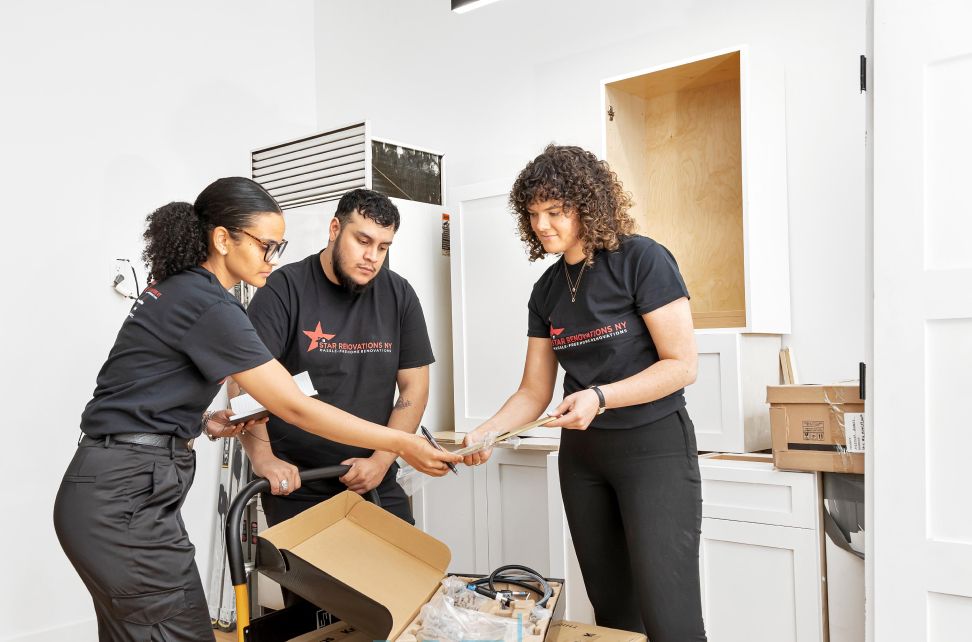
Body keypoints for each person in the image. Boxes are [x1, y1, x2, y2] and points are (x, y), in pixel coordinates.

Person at [52, 177, 460, 642]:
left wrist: (203, 421)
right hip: (123, 498)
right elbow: (292, 405)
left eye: (278, 246)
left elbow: (140, 392)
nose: (273, 258)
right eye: (266, 245)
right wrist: (403, 443)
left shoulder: (184, 292)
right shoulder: (209, 304)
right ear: (223, 239)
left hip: (115, 488)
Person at [462, 145, 707, 642]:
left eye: (556, 211)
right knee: (613, 613)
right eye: (533, 215)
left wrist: (600, 396)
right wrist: (486, 432)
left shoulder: (642, 260)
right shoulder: (546, 291)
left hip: (653, 450)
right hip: (584, 461)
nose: (543, 225)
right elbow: (534, 391)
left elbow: (682, 366)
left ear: (587, 204)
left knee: (669, 613)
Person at [234, 189, 431, 527]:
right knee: (316, 582)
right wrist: (263, 459)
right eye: (363, 241)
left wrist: (382, 461)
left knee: (406, 575)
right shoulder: (283, 289)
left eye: (383, 247)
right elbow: (246, 385)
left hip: (374, 477)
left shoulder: (400, 294)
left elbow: (414, 387)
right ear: (335, 229)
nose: (372, 256)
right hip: (299, 482)